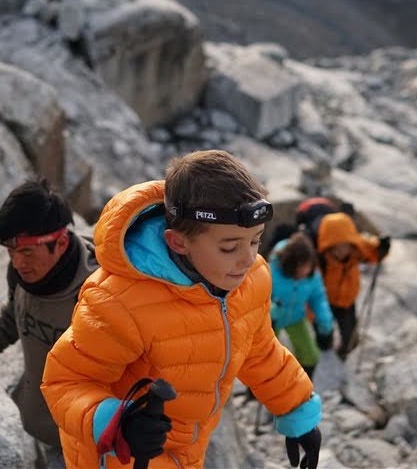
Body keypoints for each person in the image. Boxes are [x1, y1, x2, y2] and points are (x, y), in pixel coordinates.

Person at [41, 150, 322, 469]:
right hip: (121, 454)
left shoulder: (250, 279)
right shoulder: (120, 301)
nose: (247, 258)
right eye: (229, 247)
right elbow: (65, 382)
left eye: (255, 241)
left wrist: (298, 412)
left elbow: (259, 350)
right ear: (177, 243)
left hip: (188, 449)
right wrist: (118, 422)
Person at [0, 179, 98, 469]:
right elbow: (15, 316)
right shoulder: (22, 274)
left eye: (26, 251)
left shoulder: (98, 293)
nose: (17, 262)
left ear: (61, 242)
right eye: (10, 251)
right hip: (34, 424)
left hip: (87, 445)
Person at [314, 212, 390, 359]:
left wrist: (382, 247)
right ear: (329, 245)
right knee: (324, 334)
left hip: (347, 301)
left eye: (347, 245)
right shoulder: (320, 259)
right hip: (324, 302)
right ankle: (326, 349)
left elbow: (372, 249)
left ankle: (344, 352)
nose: (343, 249)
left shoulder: (356, 249)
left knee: (350, 335)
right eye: (338, 246)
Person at [269, 232, 335, 380]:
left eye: (308, 266)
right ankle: (254, 391)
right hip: (271, 321)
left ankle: (303, 387)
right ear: (290, 263)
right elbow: (257, 298)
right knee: (264, 359)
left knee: (311, 355)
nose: (305, 271)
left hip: (296, 317)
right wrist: (270, 311)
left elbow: (318, 297)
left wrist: (324, 320)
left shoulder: (312, 275)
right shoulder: (270, 271)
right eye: (301, 266)